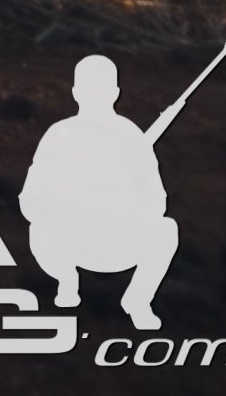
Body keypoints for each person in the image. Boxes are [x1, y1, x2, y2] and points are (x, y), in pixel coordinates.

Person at [21, 50, 189, 332]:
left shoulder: (132, 137)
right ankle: (66, 280)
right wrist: (69, 203)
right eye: (90, 90)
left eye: (100, 91)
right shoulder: (59, 135)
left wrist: (119, 199)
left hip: (118, 242)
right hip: (69, 243)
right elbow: (30, 200)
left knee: (166, 229)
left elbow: (157, 201)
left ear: (115, 93)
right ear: (76, 93)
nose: (95, 97)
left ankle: (137, 300)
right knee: (39, 228)